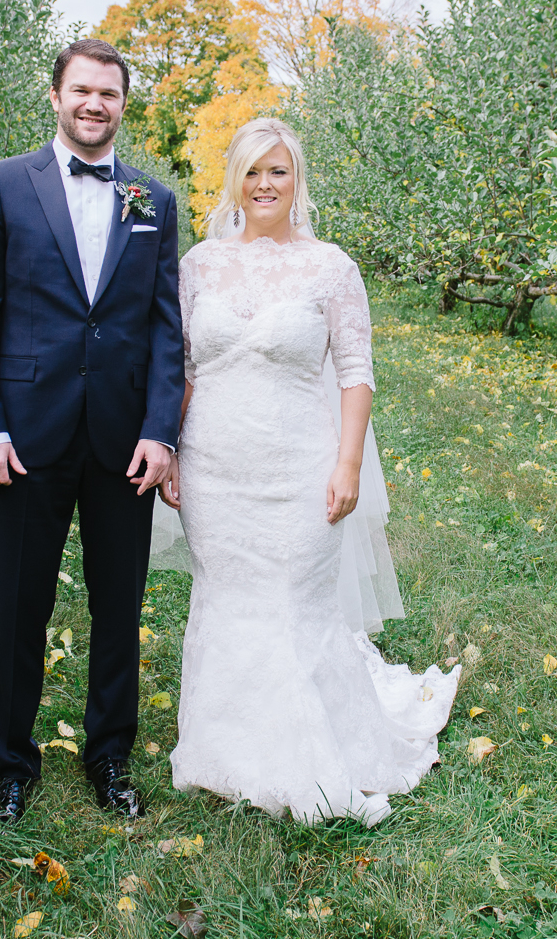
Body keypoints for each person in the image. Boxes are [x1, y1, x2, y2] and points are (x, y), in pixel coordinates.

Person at [158, 118, 460, 826]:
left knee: (295, 599)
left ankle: (313, 756)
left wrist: (348, 461)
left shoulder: (330, 266)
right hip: (215, 466)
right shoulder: (198, 265)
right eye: (253, 171)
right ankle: (222, 751)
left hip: (299, 464)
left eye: (279, 171)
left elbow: (356, 373)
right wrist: (169, 446)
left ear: (298, 181)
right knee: (228, 596)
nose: (265, 184)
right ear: (233, 178)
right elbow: (186, 369)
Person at [0, 38, 184, 828]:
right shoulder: (0, 186)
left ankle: (109, 756)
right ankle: (12, 766)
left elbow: (162, 324)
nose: (95, 104)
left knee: (120, 604)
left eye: (109, 93)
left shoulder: (150, 200)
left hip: (124, 441)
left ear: (124, 104)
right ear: (55, 96)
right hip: (22, 437)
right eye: (81, 90)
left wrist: (162, 430)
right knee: (19, 604)